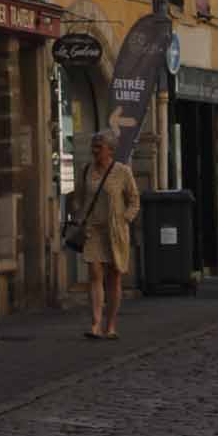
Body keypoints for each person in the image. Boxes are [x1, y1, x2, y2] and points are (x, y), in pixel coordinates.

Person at [73, 127, 140, 340]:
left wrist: (125, 218)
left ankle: (110, 325)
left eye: (98, 147)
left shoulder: (122, 171)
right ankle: (95, 324)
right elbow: (78, 198)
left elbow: (134, 201)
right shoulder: (86, 170)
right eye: (93, 146)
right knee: (94, 275)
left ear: (110, 150)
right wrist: (78, 216)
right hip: (92, 230)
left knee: (114, 278)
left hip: (115, 231)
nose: (94, 151)